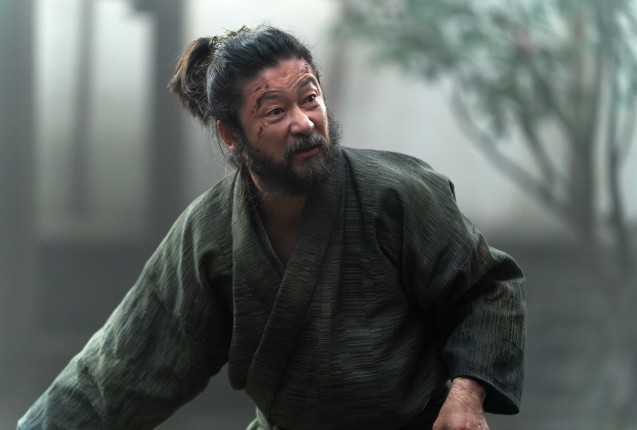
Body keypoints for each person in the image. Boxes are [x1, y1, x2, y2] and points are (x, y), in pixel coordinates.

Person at [18, 25, 526, 430]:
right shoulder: (210, 235)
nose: (304, 122)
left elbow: (489, 291)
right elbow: (122, 367)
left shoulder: (396, 193)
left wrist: (466, 397)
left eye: (310, 98)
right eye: (275, 111)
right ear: (231, 135)